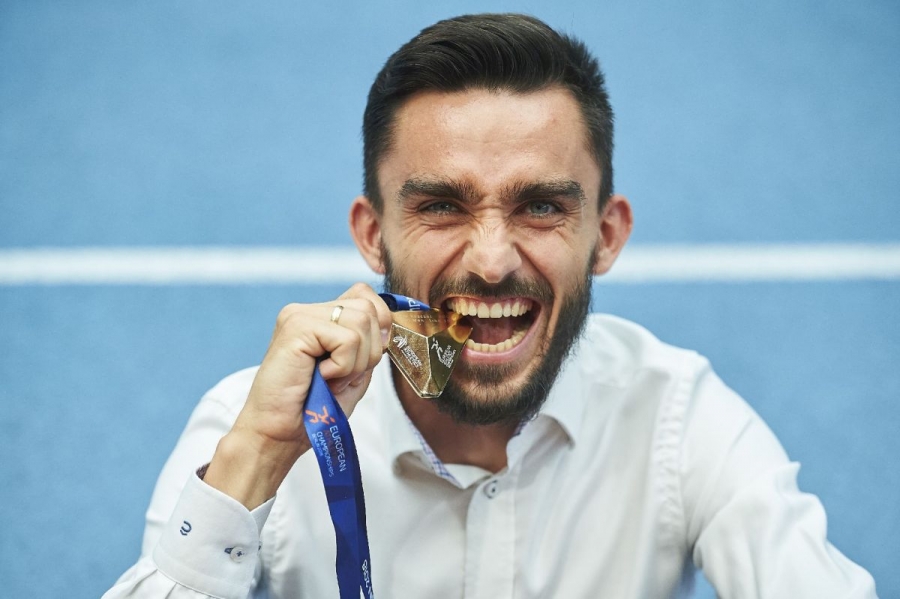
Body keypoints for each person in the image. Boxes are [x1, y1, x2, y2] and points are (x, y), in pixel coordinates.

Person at [105, 13, 877, 599]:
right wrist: (257, 458)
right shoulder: (254, 424)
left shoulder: (678, 421)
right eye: (442, 206)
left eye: (541, 206)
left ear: (605, 236)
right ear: (373, 234)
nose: (493, 259)